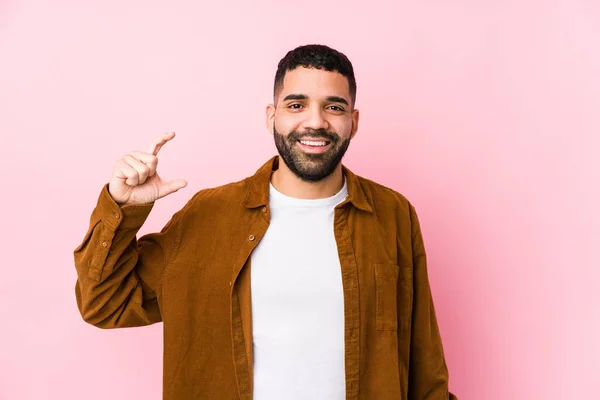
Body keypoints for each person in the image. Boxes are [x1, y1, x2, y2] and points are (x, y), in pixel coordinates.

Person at [74, 44, 458, 400]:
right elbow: (105, 304)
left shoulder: (392, 214)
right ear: (271, 116)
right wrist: (123, 209)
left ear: (353, 121)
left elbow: (425, 366)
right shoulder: (208, 216)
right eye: (296, 105)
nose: (315, 122)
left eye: (334, 107)